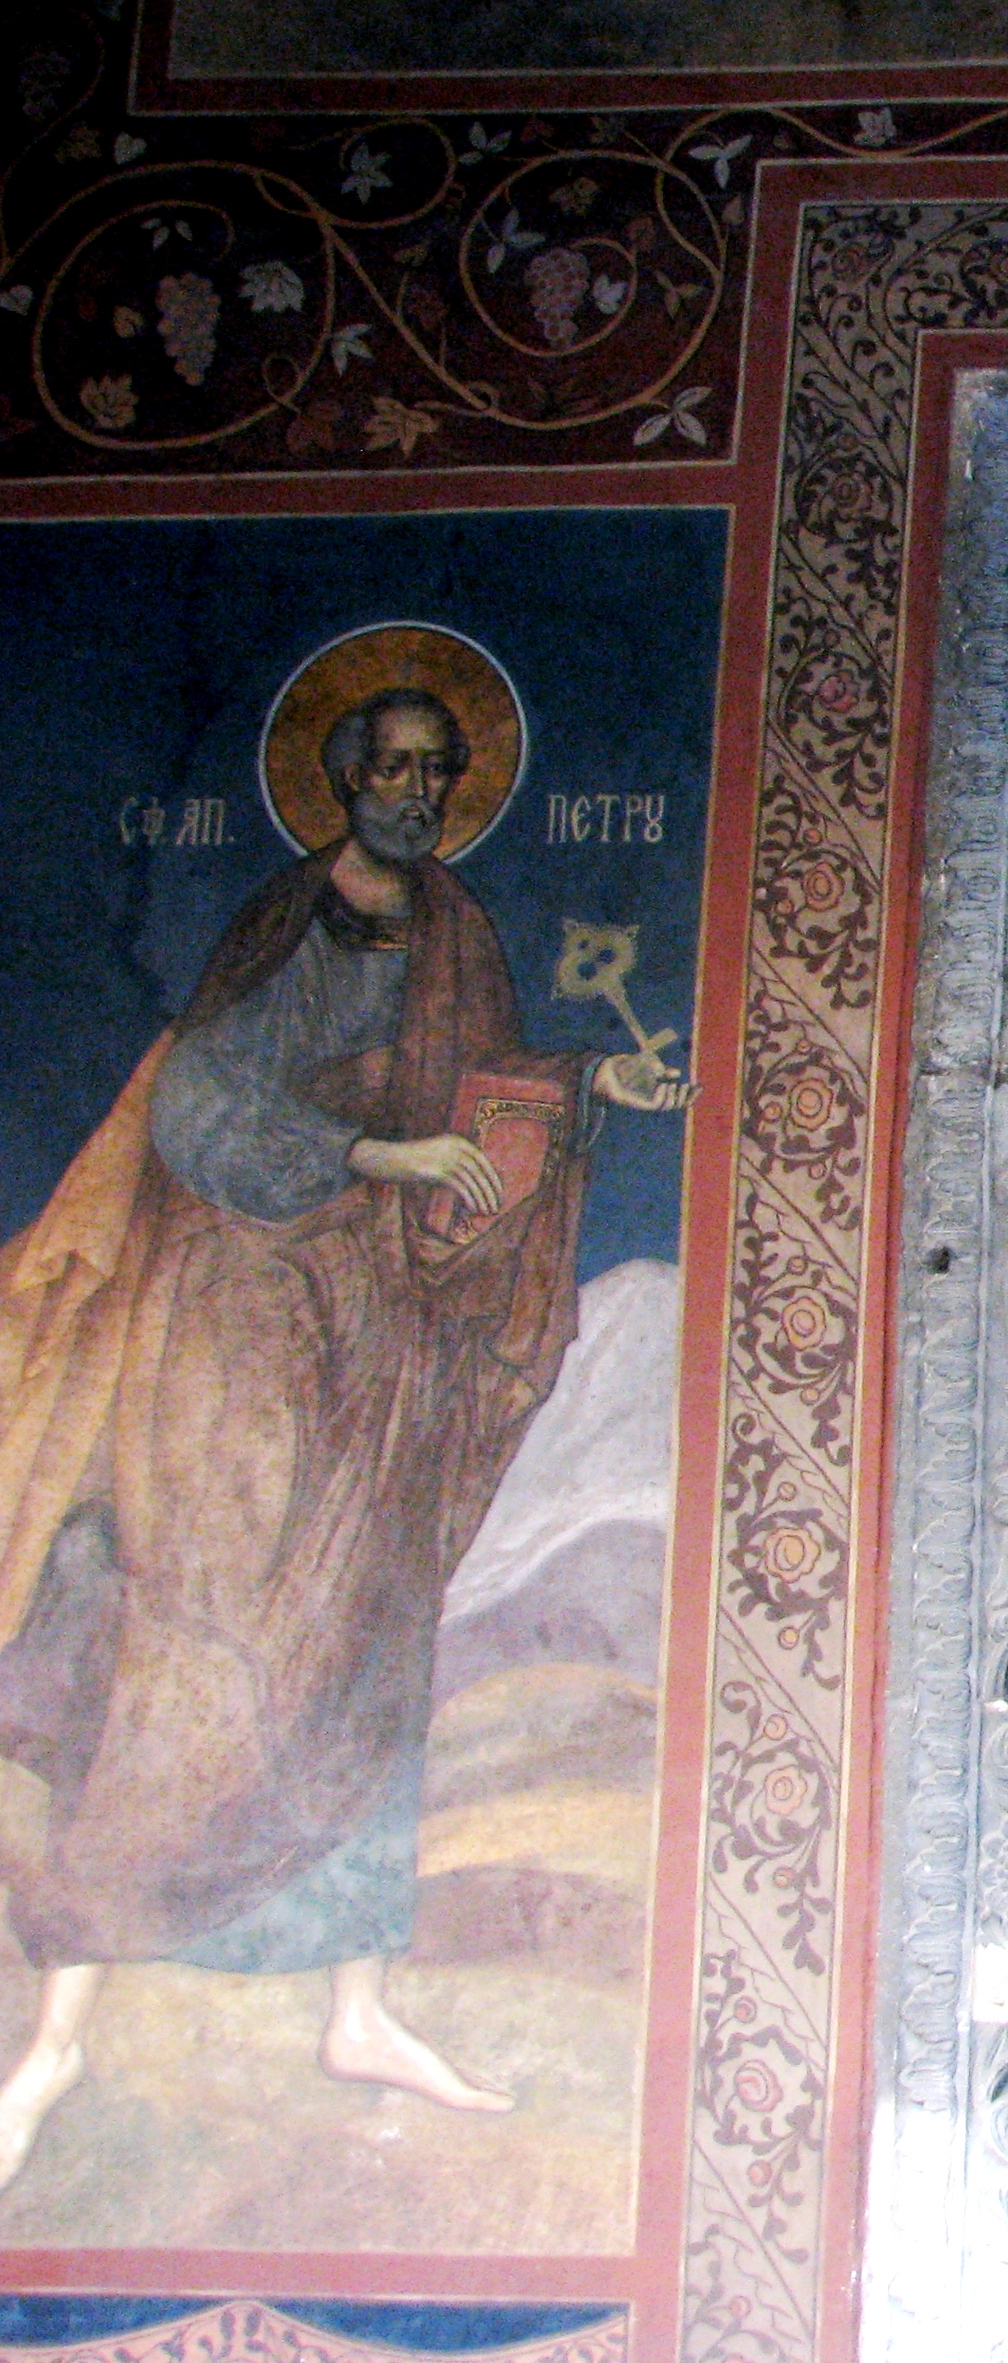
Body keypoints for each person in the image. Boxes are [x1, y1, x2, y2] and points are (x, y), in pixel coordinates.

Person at [0, 685, 688, 2185]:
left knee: (369, 1641)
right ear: (342, 777)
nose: (419, 790)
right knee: (193, 1638)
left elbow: (473, 1101)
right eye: (394, 766)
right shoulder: (294, 920)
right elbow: (203, 1102)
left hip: (376, 1337)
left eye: (441, 768)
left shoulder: (454, 926)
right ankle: (54, 2039)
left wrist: (592, 1083)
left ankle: (358, 2010)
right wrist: (379, 1152)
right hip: (238, 1316)